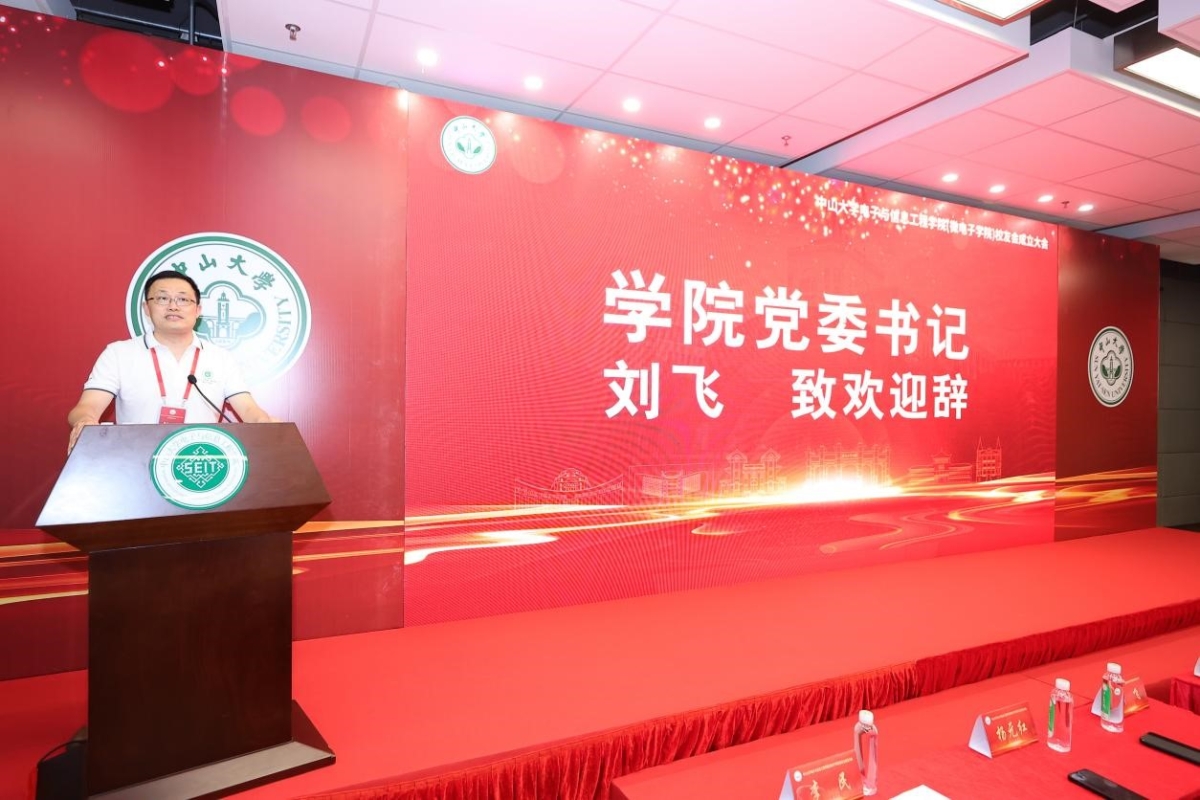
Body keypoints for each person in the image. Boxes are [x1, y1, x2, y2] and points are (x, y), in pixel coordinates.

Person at [67, 270, 277, 453]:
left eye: (183, 299)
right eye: (162, 298)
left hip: (200, 460)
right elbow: (87, 406)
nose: (173, 306)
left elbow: (248, 409)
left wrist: (265, 423)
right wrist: (85, 420)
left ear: (198, 310)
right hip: (134, 460)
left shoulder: (220, 358)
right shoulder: (118, 353)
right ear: (146, 308)